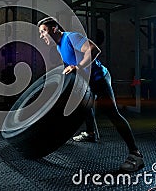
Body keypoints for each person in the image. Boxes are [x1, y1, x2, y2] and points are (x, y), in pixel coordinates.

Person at [37, 16, 144, 172]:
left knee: (113, 114)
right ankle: (91, 133)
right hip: (87, 81)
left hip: (99, 78)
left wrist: (78, 67)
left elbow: (94, 50)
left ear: (54, 29)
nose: (41, 36)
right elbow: (72, 63)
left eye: (43, 31)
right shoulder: (59, 46)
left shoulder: (70, 37)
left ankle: (136, 154)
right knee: (84, 106)